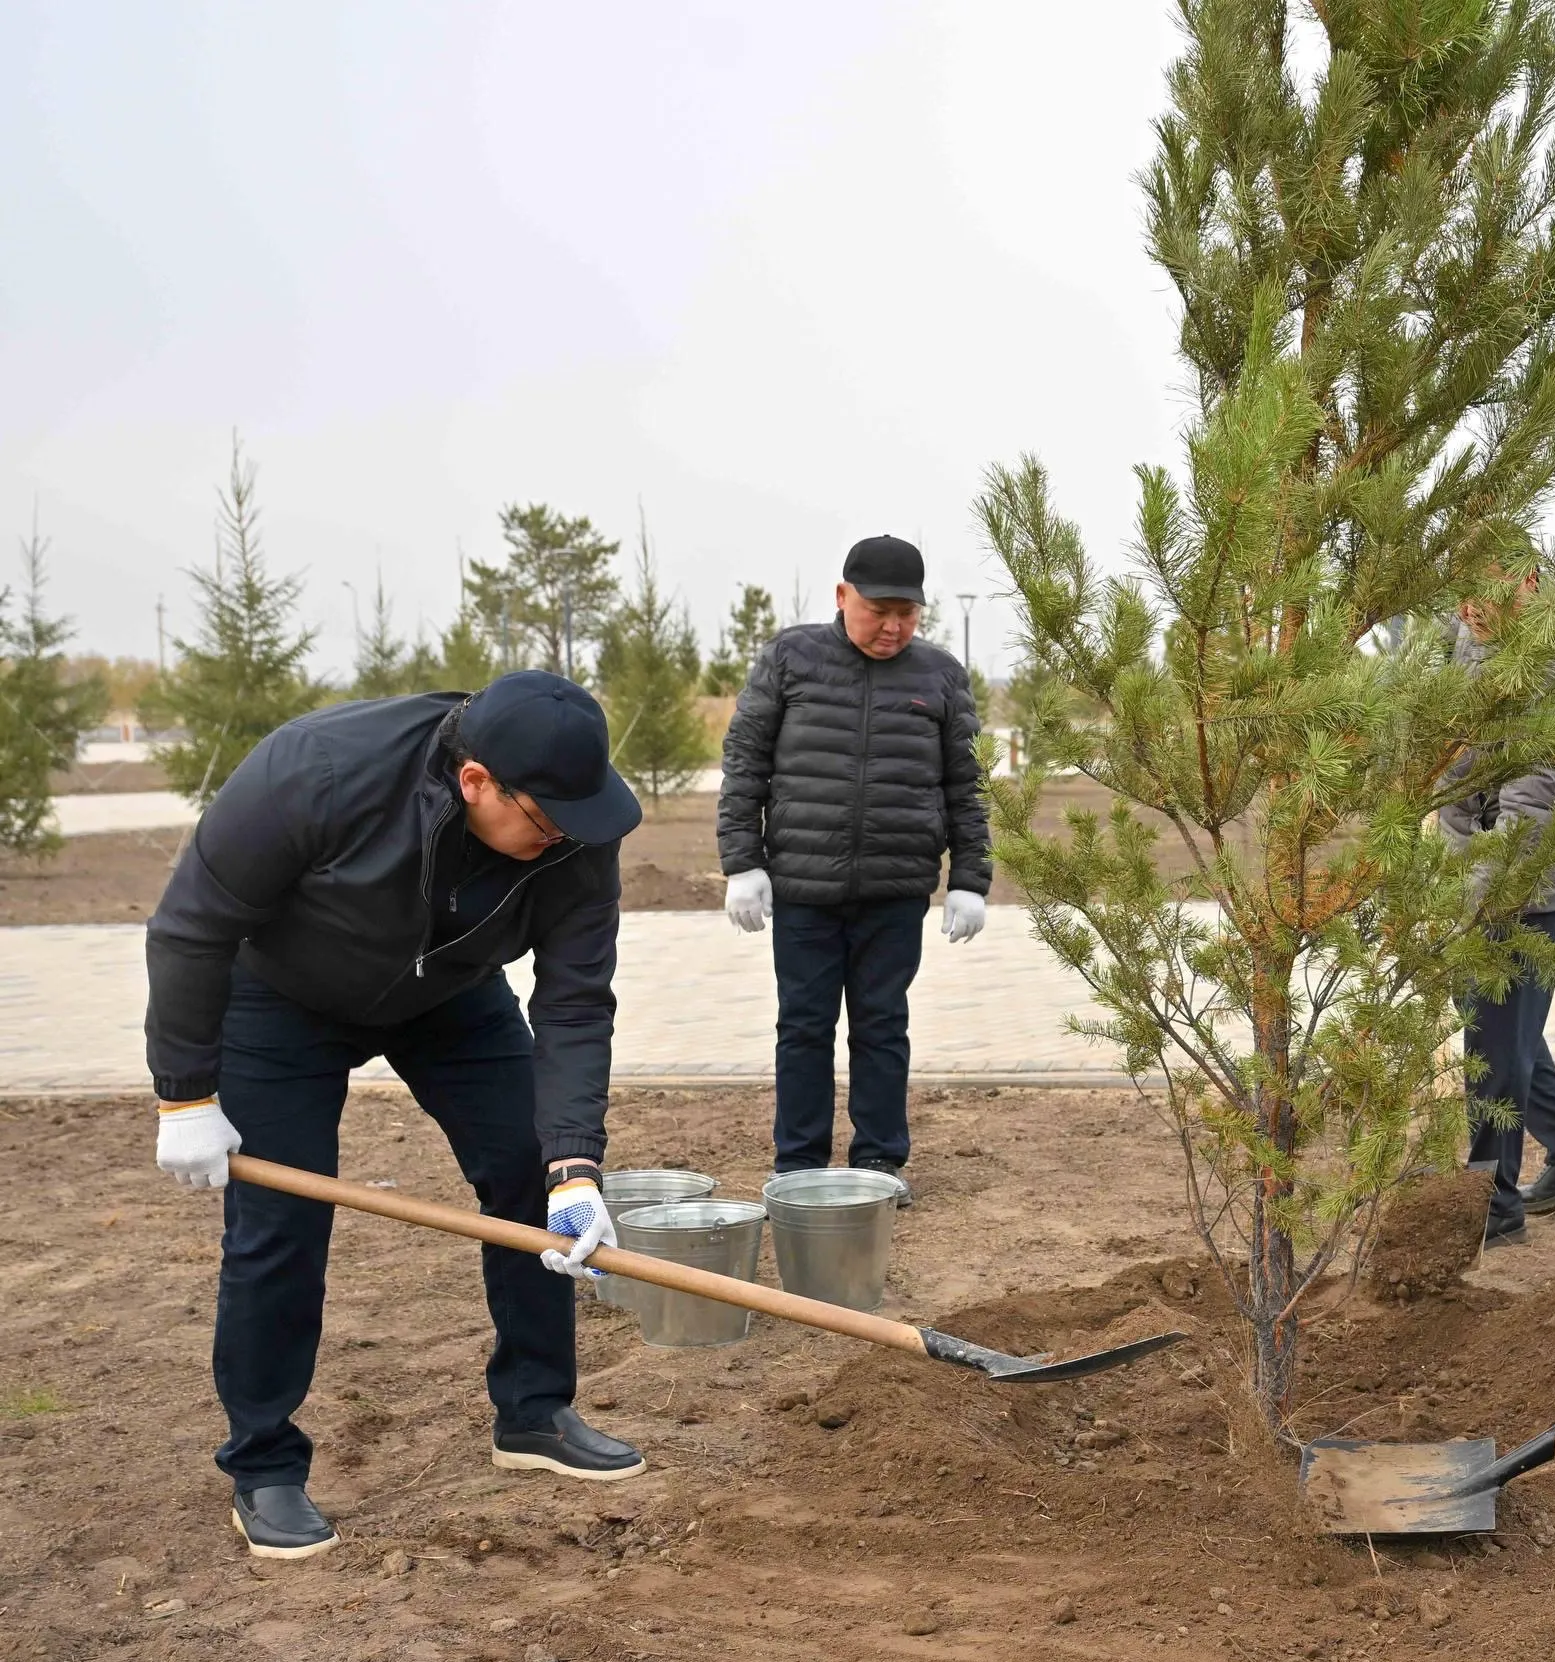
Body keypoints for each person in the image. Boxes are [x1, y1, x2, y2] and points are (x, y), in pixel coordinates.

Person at [146, 672, 651, 1562]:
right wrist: (186, 1092)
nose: (564, 836)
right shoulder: (320, 769)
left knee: (525, 1169)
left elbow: (575, 1003)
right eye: (544, 819)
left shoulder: (574, 830)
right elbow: (192, 924)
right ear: (475, 781)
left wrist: (572, 1163)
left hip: (449, 994)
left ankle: (533, 1411)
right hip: (281, 998)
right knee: (282, 1223)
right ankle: (265, 1466)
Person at [717, 535, 992, 1197]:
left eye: (908, 612)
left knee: (882, 1023)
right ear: (843, 597)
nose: (894, 626)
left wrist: (970, 879)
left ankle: (878, 1163)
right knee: (804, 1026)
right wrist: (741, 863)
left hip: (895, 890)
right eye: (879, 610)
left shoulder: (940, 676)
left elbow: (965, 784)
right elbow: (745, 764)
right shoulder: (791, 659)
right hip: (804, 887)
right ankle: (799, 1166)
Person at [1439, 587, 1555, 1247]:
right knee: (1503, 1026)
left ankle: (1492, 1207)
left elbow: (1532, 802)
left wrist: (1482, 897)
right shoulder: (1470, 633)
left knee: (1492, 1037)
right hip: (1478, 862)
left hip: (1532, 874)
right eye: (1463, 591)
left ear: (1531, 583)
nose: (1468, 607)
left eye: (1484, 590)